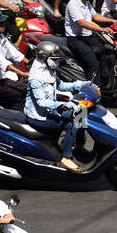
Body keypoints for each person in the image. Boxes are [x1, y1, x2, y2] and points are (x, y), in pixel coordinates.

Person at [24, 41, 86, 172]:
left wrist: (80, 84)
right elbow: (41, 102)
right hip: (38, 116)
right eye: (54, 59)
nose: (56, 62)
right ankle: (66, 158)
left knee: (82, 112)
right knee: (72, 123)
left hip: (48, 111)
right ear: (44, 58)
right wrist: (63, 104)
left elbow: (61, 85)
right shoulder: (36, 77)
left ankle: (79, 145)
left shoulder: (48, 70)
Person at [64, 0, 115, 85]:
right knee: (93, 64)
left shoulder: (86, 3)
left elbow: (95, 16)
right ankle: (93, 90)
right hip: (75, 39)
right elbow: (81, 22)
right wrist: (102, 29)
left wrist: (113, 21)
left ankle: (104, 81)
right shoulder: (73, 4)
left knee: (106, 52)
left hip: (87, 37)